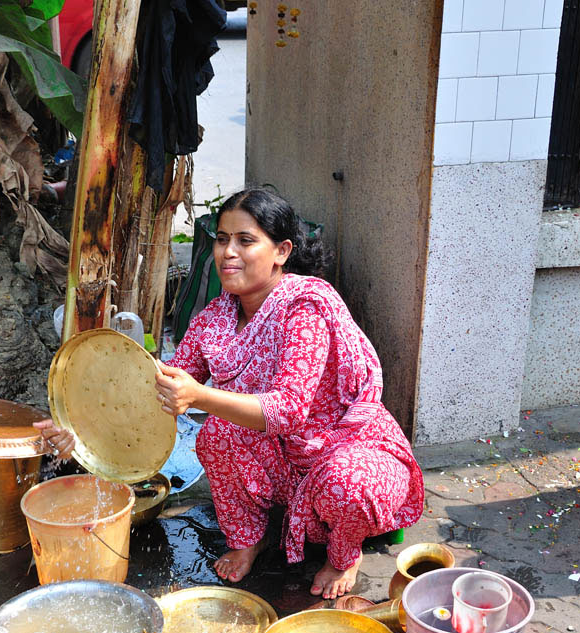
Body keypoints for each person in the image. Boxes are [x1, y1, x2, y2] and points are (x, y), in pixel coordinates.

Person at [36, 187, 424, 598]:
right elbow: (151, 395)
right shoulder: (213, 320)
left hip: (345, 448)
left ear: (282, 251)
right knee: (216, 435)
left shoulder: (305, 308)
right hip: (282, 457)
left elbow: (289, 410)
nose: (228, 252)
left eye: (246, 240)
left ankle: (344, 554)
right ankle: (249, 539)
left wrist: (199, 396)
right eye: (222, 239)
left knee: (346, 486)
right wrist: (78, 432)